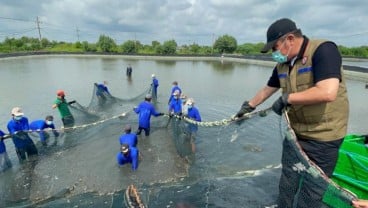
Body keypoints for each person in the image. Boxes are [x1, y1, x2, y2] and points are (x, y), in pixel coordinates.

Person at [235, 18, 349, 207]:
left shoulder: (323, 51)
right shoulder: (283, 64)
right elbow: (268, 88)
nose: (274, 53)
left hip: (323, 138)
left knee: (312, 193)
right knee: (288, 182)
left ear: (289, 39)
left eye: (275, 47)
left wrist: (288, 98)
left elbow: (327, 92)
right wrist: (249, 106)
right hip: (295, 135)